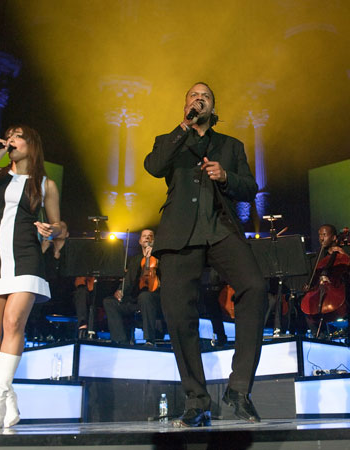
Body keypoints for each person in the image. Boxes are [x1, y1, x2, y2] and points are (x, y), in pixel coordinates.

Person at [144, 82, 266, 427]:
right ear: (186, 105)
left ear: (214, 109)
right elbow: (154, 166)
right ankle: (197, 400)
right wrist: (182, 128)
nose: (199, 100)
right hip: (180, 235)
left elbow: (249, 188)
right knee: (178, 314)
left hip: (221, 229)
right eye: (193, 96)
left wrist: (226, 176)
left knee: (254, 288)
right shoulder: (169, 141)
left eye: (206, 97)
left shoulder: (231, 145)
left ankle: (239, 388)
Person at [0, 125, 61, 428]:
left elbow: (61, 227)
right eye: (9, 135)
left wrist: (51, 230)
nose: (12, 140)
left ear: (32, 144)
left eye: (18, 136)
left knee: (12, 323)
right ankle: (9, 399)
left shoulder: (45, 183)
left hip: (27, 258)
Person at [302, 225, 350, 345]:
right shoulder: (319, 255)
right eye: (319, 235)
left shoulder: (348, 251)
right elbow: (313, 277)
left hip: (345, 288)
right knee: (306, 303)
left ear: (333, 237)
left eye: (324, 235)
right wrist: (308, 285)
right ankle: (320, 335)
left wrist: (346, 255)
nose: (321, 238)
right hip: (322, 289)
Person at [103, 229, 163, 346]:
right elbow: (129, 279)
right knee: (109, 302)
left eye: (150, 236)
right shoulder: (135, 259)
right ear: (140, 241)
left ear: (154, 241)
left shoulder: (160, 258)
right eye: (144, 236)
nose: (147, 238)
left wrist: (153, 257)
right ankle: (121, 341)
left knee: (145, 296)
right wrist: (120, 290)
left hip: (153, 299)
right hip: (135, 300)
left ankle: (149, 340)